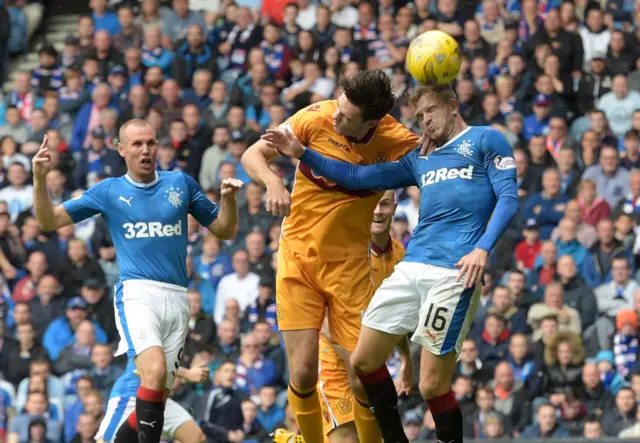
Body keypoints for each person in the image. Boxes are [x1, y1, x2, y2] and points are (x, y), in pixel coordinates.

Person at [262, 82, 519, 443]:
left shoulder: (485, 139)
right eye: (419, 116)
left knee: (431, 385)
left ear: (453, 105)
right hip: (413, 266)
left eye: (431, 110)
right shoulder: (420, 158)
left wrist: (482, 249)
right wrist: (302, 153)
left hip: (455, 271)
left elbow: (508, 198)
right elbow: (357, 176)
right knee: (363, 361)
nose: (426, 120)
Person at [30, 119, 242, 443]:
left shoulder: (180, 184)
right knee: (154, 371)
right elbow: (48, 220)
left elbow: (225, 230)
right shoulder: (109, 191)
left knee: (155, 397)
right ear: (121, 149)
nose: (146, 150)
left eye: (151, 143)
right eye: (137, 144)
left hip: (178, 300)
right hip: (137, 294)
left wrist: (228, 199)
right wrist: (39, 178)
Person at [241, 69, 418, 443]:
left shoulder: (397, 140)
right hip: (298, 259)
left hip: (350, 268)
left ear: (372, 121)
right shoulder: (312, 118)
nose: (335, 116)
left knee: (363, 376)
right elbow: (253, 153)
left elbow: (438, 164)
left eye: (347, 115)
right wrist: (273, 181)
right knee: (303, 373)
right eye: (338, 106)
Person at [273, 190, 411, 443]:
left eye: (385, 204)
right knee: (347, 438)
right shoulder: (341, 249)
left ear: (395, 207)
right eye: (374, 204)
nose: (378, 211)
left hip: (368, 364)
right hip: (334, 362)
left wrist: (405, 360)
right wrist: (357, 355)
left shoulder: (401, 257)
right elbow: (323, 319)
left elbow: (396, 317)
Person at [95, 359, 209, 443]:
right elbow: (148, 362)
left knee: (196, 437)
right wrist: (187, 373)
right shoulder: (141, 327)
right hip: (131, 394)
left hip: (158, 394)